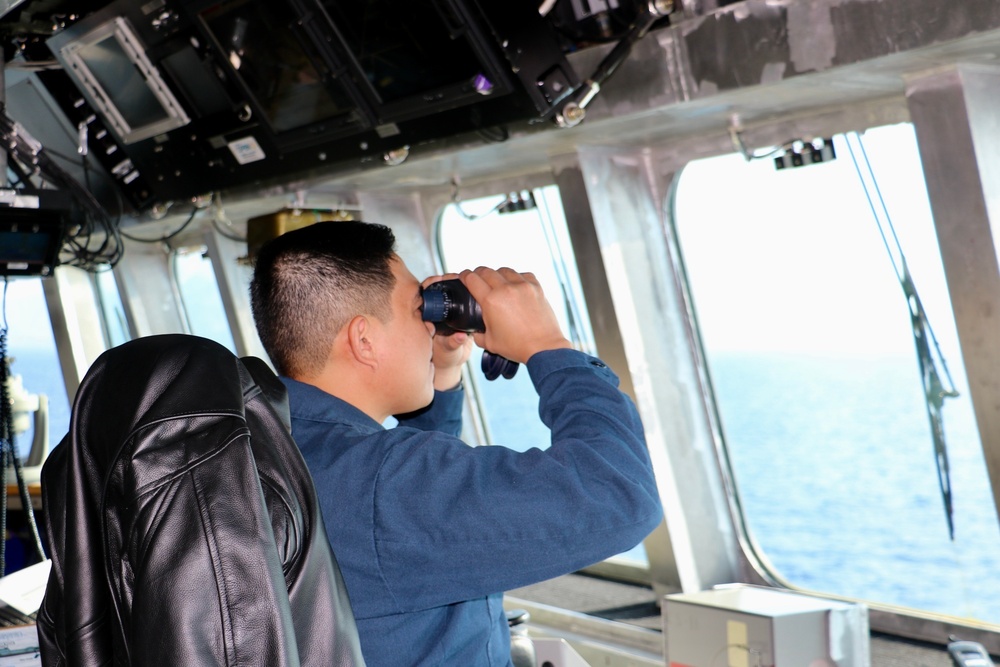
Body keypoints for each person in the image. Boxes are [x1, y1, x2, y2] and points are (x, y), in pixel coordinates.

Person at [249, 220, 662, 667]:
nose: (431, 327)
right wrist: (548, 346)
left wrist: (439, 372)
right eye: (417, 310)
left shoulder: (271, 443)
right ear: (364, 339)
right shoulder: (385, 484)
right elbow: (619, 494)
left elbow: (409, 519)